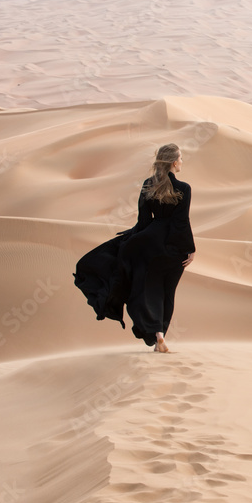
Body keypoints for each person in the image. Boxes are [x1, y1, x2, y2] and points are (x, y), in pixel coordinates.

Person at [73, 143, 195, 353]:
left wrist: (132, 239)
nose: (182, 162)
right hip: (173, 248)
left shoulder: (149, 184)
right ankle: (161, 336)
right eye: (181, 158)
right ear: (174, 162)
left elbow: (144, 220)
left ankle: (158, 335)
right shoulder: (184, 188)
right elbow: (181, 222)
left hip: (149, 244)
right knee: (167, 293)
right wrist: (190, 249)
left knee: (150, 290)